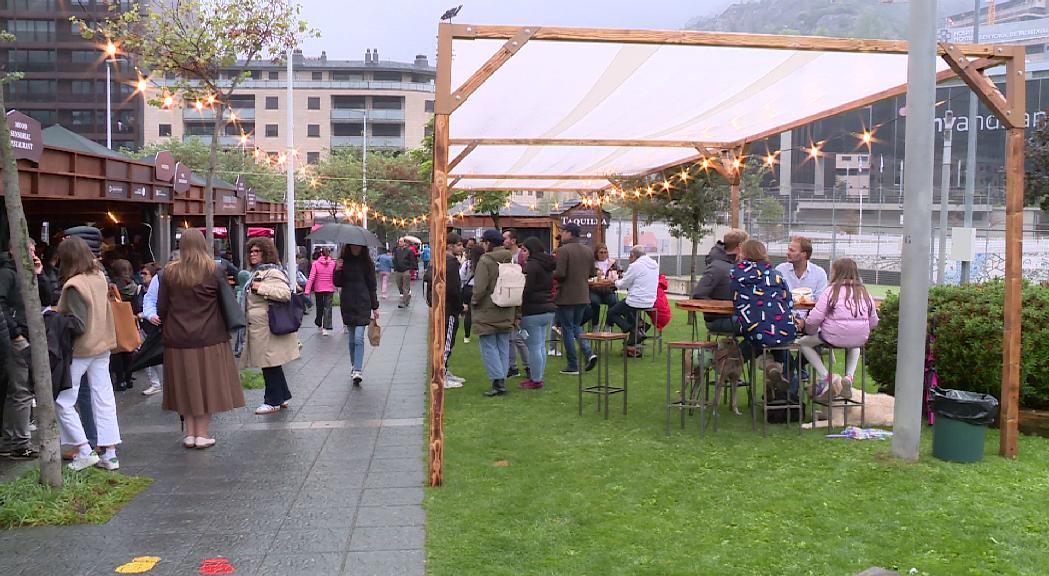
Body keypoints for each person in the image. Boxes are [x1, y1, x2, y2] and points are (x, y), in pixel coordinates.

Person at [157, 229, 243, 449]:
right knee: (208, 387)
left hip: (177, 339)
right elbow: (227, 302)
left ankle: (190, 434)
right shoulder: (214, 270)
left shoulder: (169, 273)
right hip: (210, 337)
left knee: (185, 386)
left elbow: (162, 307)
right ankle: (203, 434)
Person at [53, 236, 121, 471]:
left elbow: (78, 324)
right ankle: (110, 454)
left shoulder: (74, 285)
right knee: (103, 398)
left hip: (81, 349)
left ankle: (84, 449)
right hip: (103, 345)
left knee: (63, 401)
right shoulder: (99, 277)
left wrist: (53, 314)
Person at [799, 258, 879, 399]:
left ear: (836, 273)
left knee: (804, 343)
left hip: (833, 336)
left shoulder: (831, 291)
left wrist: (809, 329)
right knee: (854, 345)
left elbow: (815, 318)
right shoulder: (865, 292)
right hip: (858, 337)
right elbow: (874, 321)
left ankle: (827, 377)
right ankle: (849, 377)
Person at [0, 241, 51, 460]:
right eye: (28, 250)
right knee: (21, 389)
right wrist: (15, 332)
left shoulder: (25, 273)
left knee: (20, 389)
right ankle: (19, 442)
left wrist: (39, 274)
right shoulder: (7, 274)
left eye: (33, 250)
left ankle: (13, 439)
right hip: (17, 336)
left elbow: (47, 299)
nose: (33, 254)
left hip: (26, 334)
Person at [731, 239, 798, 401]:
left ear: (744, 254)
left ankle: (739, 364)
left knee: (753, 339)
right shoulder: (776, 275)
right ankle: (784, 391)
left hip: (754, 328)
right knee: (777, 345)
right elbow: (789, 302)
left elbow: (734, 297)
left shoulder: (736, 274)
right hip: (784, 329)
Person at [242, 237, 300, 415]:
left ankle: (272, 400)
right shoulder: (257, 272)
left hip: (267, 326)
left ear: (265, 253)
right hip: (260, 326)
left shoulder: (272, 272)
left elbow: (284, 294)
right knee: (270, 364)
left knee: (269, 364)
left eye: (257, 251)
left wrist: (261, 288)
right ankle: (282, 396)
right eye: (251, 251)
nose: (253, 254)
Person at [472, 229, 516, 397]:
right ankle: (502, 379)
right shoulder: (510, 258)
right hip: (507, 305)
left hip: (488, 308)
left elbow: (480, 287)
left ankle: (498, 381)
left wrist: (474, 301)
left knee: (489, 346)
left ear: (488, 242)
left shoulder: (486, 260)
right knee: (503, 345)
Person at [553, 222, 597, 375]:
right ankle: (588, 353)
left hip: (566, 295)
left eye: (563, 231)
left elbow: (560, 274)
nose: (561, 234)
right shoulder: (588, 250)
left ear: (569, 233)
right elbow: (592, 273)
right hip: (583, 295)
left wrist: (550, 274)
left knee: (567, 329)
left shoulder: (563, 251)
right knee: (576, 326)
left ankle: (572, 364)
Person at [334, 242, 379, 386]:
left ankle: (358, 369)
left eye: (358, 246)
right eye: (353, 246)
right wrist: (337, 269)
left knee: (359, 337)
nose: (355, 248)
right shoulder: (343, 262)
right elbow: (337, 283)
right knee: (352, 338)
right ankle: (354, 366)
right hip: (347, 303)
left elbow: (372, 286)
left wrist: (375, 306)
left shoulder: (367, 264)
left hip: (363, 303)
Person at [424, 232, 465, 388]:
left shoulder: (437, 261)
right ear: (450, 245)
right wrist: (460, 306)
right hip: (448, 308)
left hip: (438, 306)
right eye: (459, 245)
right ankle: (441, 375)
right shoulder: (452, 263)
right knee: (446, 343)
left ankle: (444, 371)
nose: (461, 248)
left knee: (442, 342)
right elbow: (454, 289)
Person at [691, 229, 748, 334]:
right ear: (740, 246)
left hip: (737, 316)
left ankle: (745, 350)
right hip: (720, 319)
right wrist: (723, 308)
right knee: (760, 325)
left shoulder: (739, 266)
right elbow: (698, 294)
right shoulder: (717, 267)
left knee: (769, 324)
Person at [517, 237, 556, 390]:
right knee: (540, 346)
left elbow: (526, 289)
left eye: (524, 250)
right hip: (547, 308)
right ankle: (538, 376)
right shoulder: (548, 265)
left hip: (533, 309)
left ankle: (536, 379)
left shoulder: (531, 266)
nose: (522, 253)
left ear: (531, 251)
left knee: (534, 346)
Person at [607, 245, 659, 357]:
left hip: (636, 300)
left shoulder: (636, 266)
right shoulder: (653, 264)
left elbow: (623, 284)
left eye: (630, 257)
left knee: (611, 312)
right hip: (650, 300)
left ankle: (633, 330)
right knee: (627, 309)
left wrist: (614, 281)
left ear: (633, 255)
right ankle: (640, 326)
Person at [108, 259, 140, 392]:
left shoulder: (113, 287)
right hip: (131, 319)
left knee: (117, 351)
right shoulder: (134, 286)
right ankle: (128, 378)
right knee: (129, 349)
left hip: (116, 320)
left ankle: (120, 380)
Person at [502, 229, 530, 379]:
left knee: (518, 336)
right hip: (510, 297)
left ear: (513, 240)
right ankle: (512, 367)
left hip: (519, 299)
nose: (503, 241)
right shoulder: (506, 256)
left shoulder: (521, 255)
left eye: (505, 238)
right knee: (510, 336)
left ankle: (528, 366)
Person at [775, 236, 828, 302]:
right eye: (788, 249)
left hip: (810, 311)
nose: (787, 253)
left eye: (792, 250)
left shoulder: (820, 274)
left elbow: (820, 301)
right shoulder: (780, 270)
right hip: (786, 311)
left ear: (804, 254)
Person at [137, 263, 163, 396]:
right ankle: (155, 384)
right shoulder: (139, 289)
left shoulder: (160, 286)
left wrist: (149, 314)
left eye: (145, 274)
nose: (142, 276)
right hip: (143, 328)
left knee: (159, 358)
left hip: (156, 329)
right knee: (146, 357)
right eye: (141, 273)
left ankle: (162, 384)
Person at [305, 247, 336, 336]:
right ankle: (326, 327)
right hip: (329, 289)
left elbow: (311, 277)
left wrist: (307, 290)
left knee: (320, 307)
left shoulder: (316, 264)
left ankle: (319, 323)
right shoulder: (333, 263)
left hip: (318, 289)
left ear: (321, 254)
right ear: (329, 253)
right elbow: (335, 276)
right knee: (328, 307)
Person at [588, 243, 619, 331]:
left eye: (605, 252)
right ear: (596, 253)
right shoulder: (592, 264)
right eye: (601, 252)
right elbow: (588, 277)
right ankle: (595, 325)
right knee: (594, 302)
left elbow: (616, 276)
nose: (603, 254)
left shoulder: (612, 263)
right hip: (595, 290)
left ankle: (608, 324)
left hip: (608, 290)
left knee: (614, 301)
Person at [459, 245, 483, 344]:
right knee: (481, 312)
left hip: (468, 289)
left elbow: (461, 277)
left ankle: (467, 336)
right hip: (480, 288)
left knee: (468, 314)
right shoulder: (484, 264)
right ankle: (482, 334)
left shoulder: (467, 264)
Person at [392, 238, 417, 308]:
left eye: (401, 241)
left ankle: (403, 301)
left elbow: (412, 260)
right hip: (398, 270)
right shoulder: (397, 250)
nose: (399, 243)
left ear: (405, 243)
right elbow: (395, 259)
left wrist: (411, 269)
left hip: (406, 270)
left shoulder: (409, 251)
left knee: (405, 286)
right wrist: (395, 267)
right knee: (399, 285)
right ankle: (407, 295)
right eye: (399, 241)